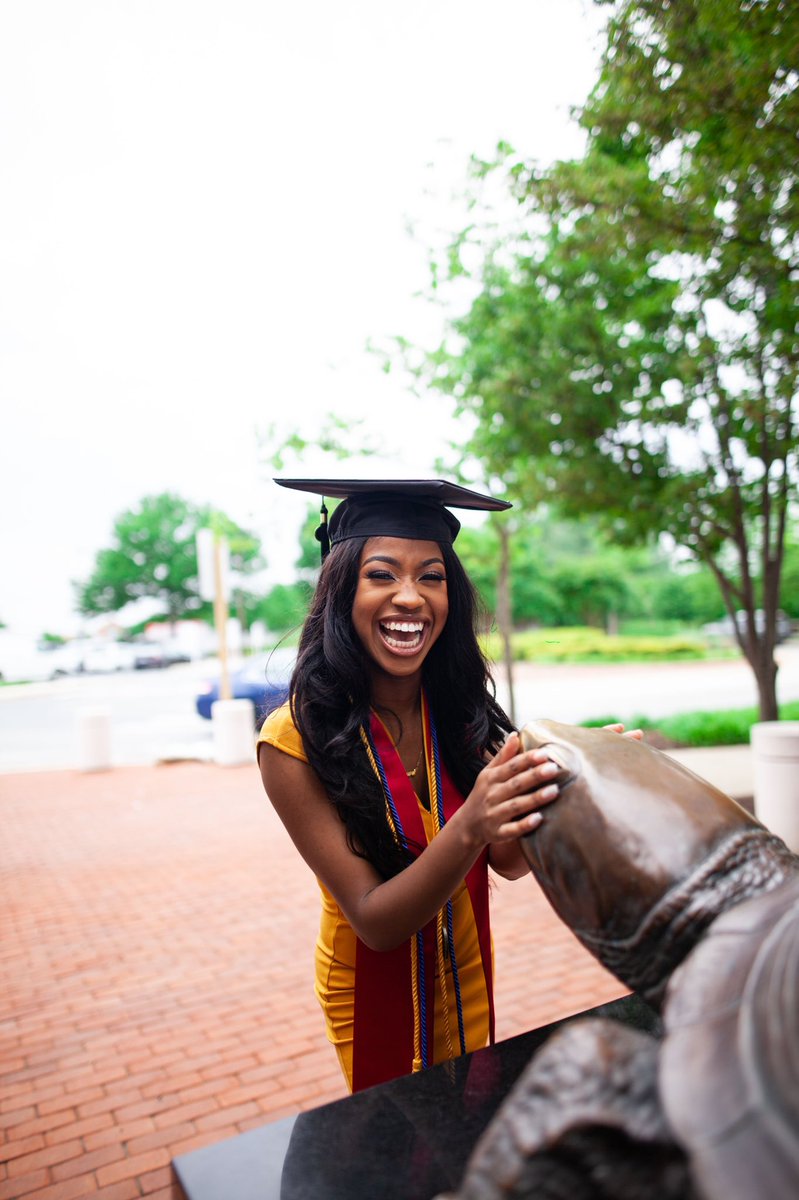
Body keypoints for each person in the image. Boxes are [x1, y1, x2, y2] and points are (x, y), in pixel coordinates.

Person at [257, 478, 565, 1094]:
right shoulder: (294, 740)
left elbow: (505, 860)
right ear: (342, 591)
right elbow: (374, 920)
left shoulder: (455, 709)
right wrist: (473, 821)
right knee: (394, 1148)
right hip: (371, 986)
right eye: (381, 575)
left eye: (431, 576)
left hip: (466, 961)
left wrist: (570, 781)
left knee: (468, 1134)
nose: (410, 597)